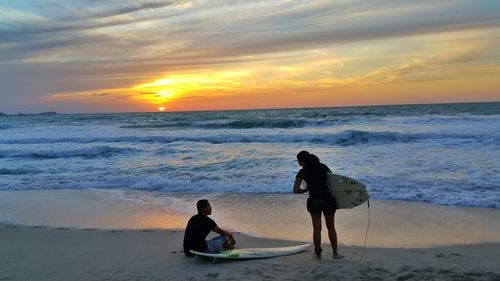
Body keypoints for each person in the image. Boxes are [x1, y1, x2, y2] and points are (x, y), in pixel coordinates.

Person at [293, 150, 343, 259]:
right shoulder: (323, 167)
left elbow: (295, 190)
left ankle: (318, 253)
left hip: (314, 201)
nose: (298, 163)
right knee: (331, 227)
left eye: (299, 161)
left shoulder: (302, 172)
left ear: (303, 161)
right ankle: (335, 253)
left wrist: (305, 189)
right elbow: (333, 181)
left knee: (317, 229)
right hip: (327, 200)